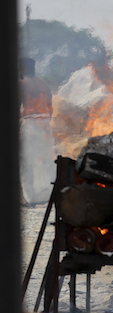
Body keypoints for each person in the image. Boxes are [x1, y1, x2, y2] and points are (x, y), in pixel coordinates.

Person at [19, 57, 56, 205]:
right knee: (47, 160)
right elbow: (50, 107)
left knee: (25, 161)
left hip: (30, 124)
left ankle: (29, 197)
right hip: (45, 124)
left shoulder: (21, 85)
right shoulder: (44, 84)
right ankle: (53, 193)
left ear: (23, 69)